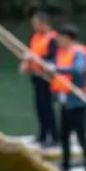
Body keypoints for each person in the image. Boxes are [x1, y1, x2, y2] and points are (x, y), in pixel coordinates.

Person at [50, 24, 86, 171]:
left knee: (81, 136)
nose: (57, 41)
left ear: (68, 39)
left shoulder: (79, 52)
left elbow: (78, 70)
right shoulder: (61, 52)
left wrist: (58, 70)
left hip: (77, 101)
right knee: (64, 135)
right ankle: (65, 166)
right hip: (64, 100)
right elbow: (53, 67)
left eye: (60, 38)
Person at [20, 11, 59, 147]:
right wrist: (26, 64)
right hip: (37, 76)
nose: (34, 26)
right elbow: (33, 54)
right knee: (39, 107)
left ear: (44, 24)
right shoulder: (36, 37)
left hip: (47, 78)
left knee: (48, 108)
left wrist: (35, 60)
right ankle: (42, 135)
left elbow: (53, 60)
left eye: (36, 24)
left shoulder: (53, 39)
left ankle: (54, 137)